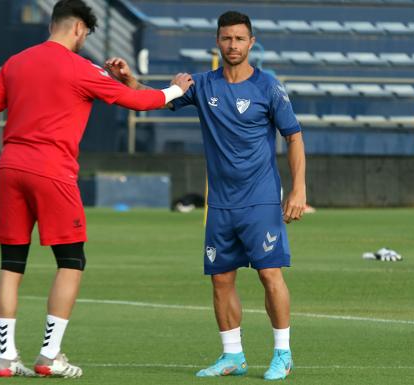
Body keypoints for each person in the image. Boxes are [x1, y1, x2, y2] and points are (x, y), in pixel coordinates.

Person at [0, 0, 193, 378]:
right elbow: (136, 101)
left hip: (11, 168)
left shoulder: (16, 62)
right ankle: (49, 356)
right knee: (71, 262)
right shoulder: (82, 68)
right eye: (86, 34)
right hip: (52, 172)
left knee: (11, 265)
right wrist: (175, 90)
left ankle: (5, 358)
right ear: (79, 29)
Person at [105, 10, 306, 380]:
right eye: (227, 38)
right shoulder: (201, 85)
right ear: (217, 42)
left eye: (240, 39)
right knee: (221, 278)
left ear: (251, 43)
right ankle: (233, 356)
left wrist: (298, 188)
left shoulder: (269, 87)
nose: (233, 45)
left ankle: (283, 353)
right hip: (220, 203)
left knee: (270, 274)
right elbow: (157, 100)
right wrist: (129, 80)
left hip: (261, 198)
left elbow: (293, 136)